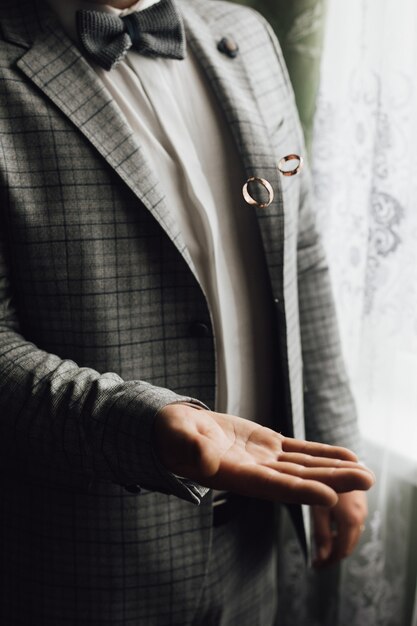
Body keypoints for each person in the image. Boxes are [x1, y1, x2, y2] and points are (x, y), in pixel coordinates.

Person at [0, 0, 373, 623]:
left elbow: (300, 252)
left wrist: (335, 443)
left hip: (253, 547)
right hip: (82, 564)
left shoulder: (247, 36)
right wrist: (142, 427)